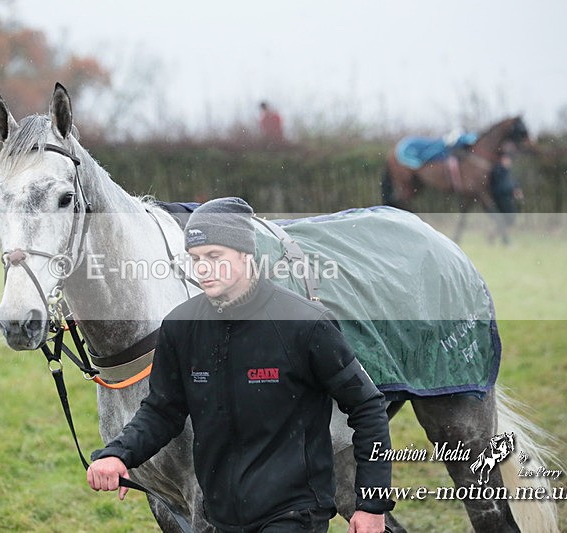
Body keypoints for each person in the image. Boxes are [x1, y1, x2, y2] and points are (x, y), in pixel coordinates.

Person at [87, 197, 394, 532]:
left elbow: (367, 407)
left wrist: (372, 505)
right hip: (220, 515)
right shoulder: (180, 327)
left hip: (293, 513)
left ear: (246, 255)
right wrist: (118, 453)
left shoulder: (306, 324)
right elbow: (162, 410)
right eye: (196, 259)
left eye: (215, 256)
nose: (203, 268)